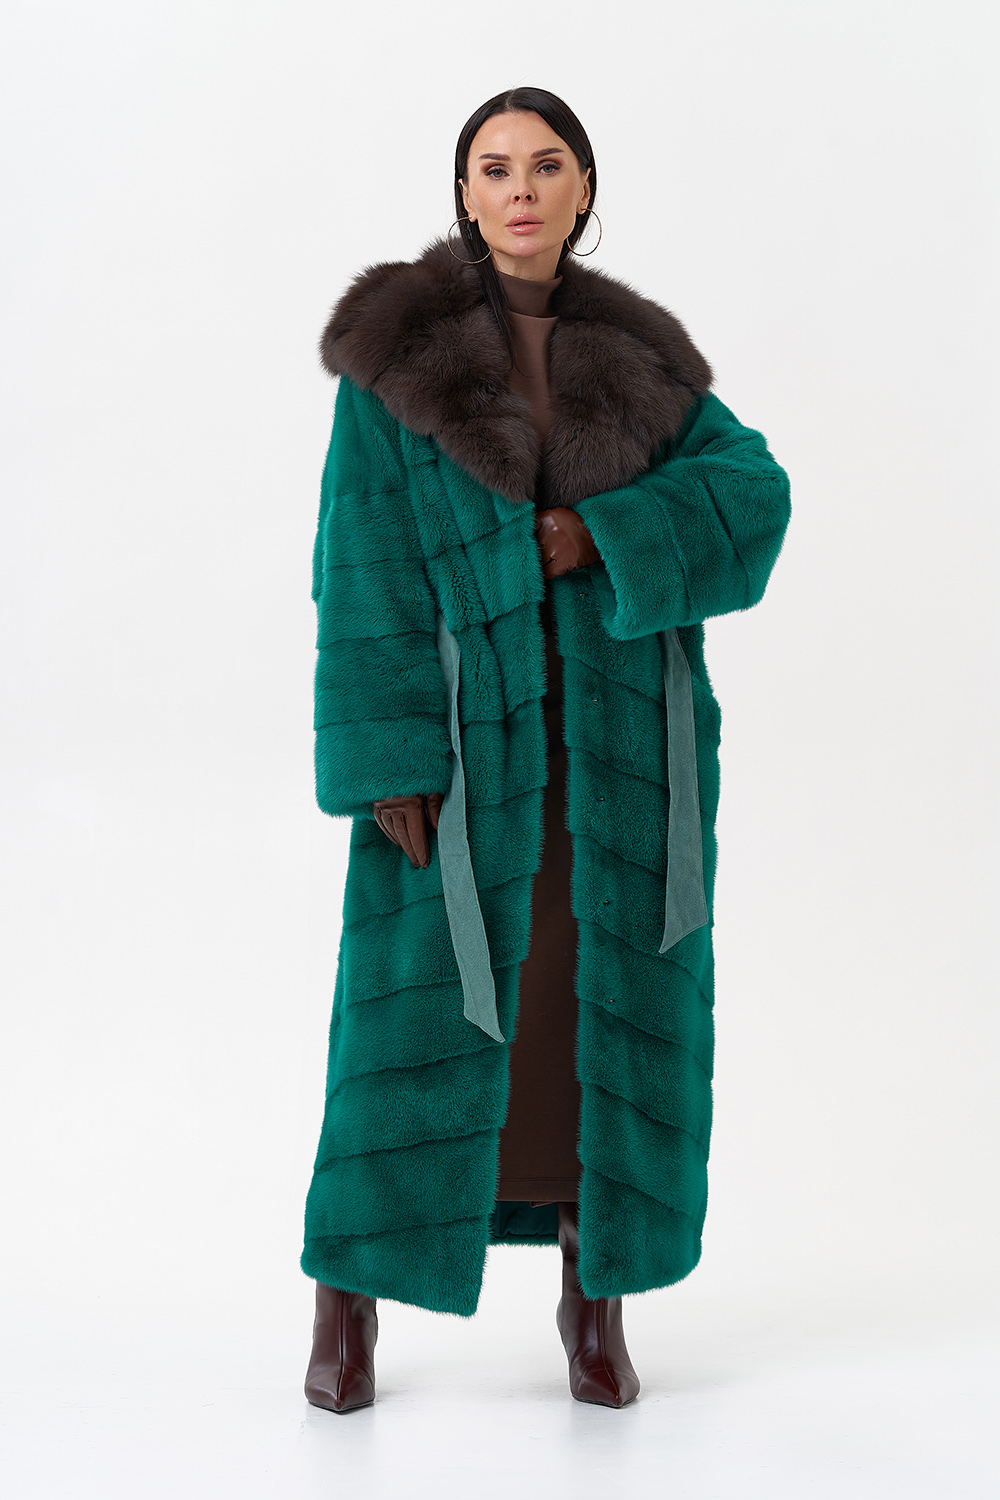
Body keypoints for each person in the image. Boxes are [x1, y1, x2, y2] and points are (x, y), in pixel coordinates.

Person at [300, 86, 791, 1413]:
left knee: (589, 1026)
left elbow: (754, 494)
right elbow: (361, 563)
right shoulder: (394, 363)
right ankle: (345, 1301)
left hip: (614, 757)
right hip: (458, 761)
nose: (520, 188)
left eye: (547, 164)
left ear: (583, 188)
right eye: (494, 166)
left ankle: (594, 1302)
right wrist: (386, 757)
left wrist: (599, 536)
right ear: (465, 193)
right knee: (411, 1020)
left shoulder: (644, 363)